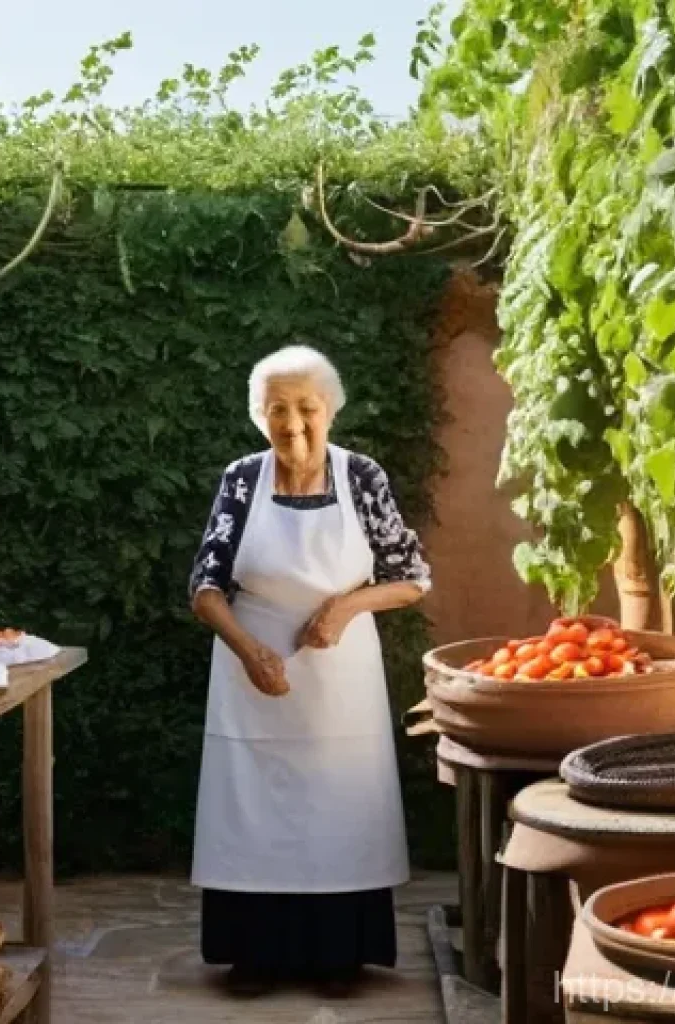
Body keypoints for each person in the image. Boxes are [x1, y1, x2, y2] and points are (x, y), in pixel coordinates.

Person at [188, 344, 431, 997]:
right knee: (254, 810)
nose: (293, 426)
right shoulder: (243, 478)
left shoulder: (361, 477)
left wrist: (349, 604)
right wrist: (247, 646)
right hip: (252, 674)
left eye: (307, 409)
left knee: (339, 804)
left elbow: (411, 577)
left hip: (340, 679)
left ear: (331, 410)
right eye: (277, 412)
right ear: (258, 417)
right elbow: (206, 585)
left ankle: (338, 957)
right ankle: (254, 956)